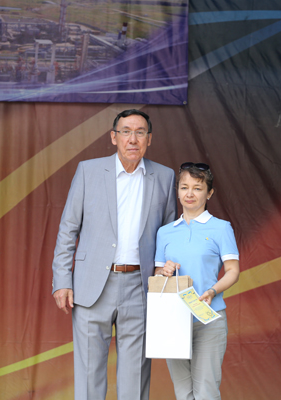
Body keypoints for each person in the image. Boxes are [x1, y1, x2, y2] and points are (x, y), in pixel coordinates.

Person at [51, 109, 177, 400]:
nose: (133, 139)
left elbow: (169, 234)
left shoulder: (164, 176)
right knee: (88, 375)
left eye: (140, 132)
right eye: (126, 132)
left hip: (140, 287)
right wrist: (62, 280)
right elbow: (68, 228)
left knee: (135, 376)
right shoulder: (88, 171)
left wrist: (164, 277)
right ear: (113, 137)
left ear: (149, 139)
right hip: (92, 283)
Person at [155, 162, 240, 400]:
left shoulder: (221, 228)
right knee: (183, 392)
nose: (189, 193)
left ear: (209, 193)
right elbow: (158, 273)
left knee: (206, 391)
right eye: (184, 187)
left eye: (197, 188)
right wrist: (164, 270)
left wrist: (213, 291)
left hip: (208, 318)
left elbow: (233, 271)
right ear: (177, 191)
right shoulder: (165, 232)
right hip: (174, 318)